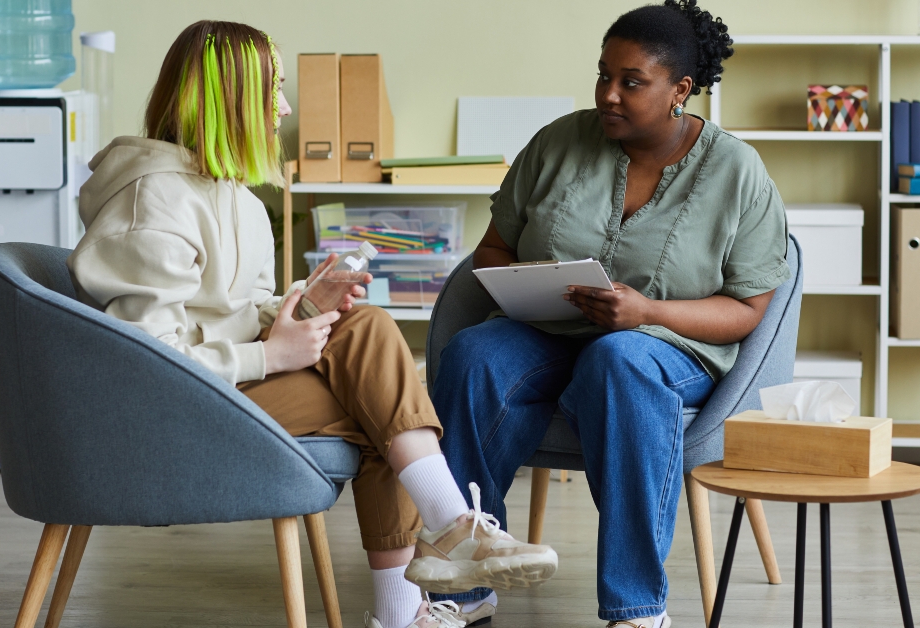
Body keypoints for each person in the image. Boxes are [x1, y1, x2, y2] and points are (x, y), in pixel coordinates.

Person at [65, 20, 556, 628]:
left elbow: (233, 311)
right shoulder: (153, 204)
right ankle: (438, 556)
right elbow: (144, 363)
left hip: (224, 388)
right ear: (230, 99)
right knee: (382, 405)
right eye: (272, 90)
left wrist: (300, 308)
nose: (286, 108)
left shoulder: (238, 199)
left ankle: (438, 555)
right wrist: (271, 356)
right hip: (165, 411)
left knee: (371, 349)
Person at [429, 2, 790, 627]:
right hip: (549, 331)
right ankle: (466, 588)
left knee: (618, 360)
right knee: (474, 354)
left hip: (669, 347)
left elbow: (748, 309)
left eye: (631, 82)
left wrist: (648, 311)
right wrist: (524, 287)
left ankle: (638, 608)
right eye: (603, 75)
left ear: (680, 89)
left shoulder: (737, 170)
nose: (608, 94)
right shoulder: (557, 142)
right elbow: (493, 249)